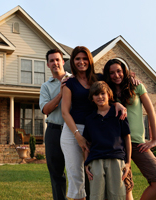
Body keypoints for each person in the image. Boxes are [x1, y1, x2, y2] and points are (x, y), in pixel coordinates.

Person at [60, 46, 127, 200]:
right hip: (73, 131)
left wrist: (116, 104)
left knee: (95, 173)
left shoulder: (99, 78)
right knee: (76, 176)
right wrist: (78, 136)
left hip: (96, 129)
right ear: (73, 61)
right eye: (77, 59)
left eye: (84, 58)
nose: (81, 62)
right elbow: (65, 112)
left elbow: (112, 91)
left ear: (89, 60)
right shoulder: (69, 83)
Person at [103, 59, 156, 200]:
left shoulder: (136, 86)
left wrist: (155, 139)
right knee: (126, 188)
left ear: (125, 71)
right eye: (112, 73)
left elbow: (151, 112)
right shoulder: (107, 91)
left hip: (138, 143)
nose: (116, 75)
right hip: (117, 144)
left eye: (119, 71)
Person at [84, 81, 131, 200]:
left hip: (116, 159)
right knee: (96, 196)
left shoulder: (119, 114)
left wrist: (128, 162)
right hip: (96, 161)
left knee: (117, 196)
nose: (99, 97)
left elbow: (127, 138)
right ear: (92, 98)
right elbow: (87, 143)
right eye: (96, 94)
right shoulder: (90, 119)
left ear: (109, 95)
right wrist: (86, 163)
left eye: (102, 93)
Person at [39, 49, 71, 200]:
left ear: (63, 61)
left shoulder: (75, 80)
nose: (55, 63)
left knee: (79, 170)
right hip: (53, 131)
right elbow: (46, 109)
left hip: (72, 131)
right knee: (56, 173)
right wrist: (60, 93)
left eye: (57, 60)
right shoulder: (46, 86)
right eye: (51, 61)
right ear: (48, 65)